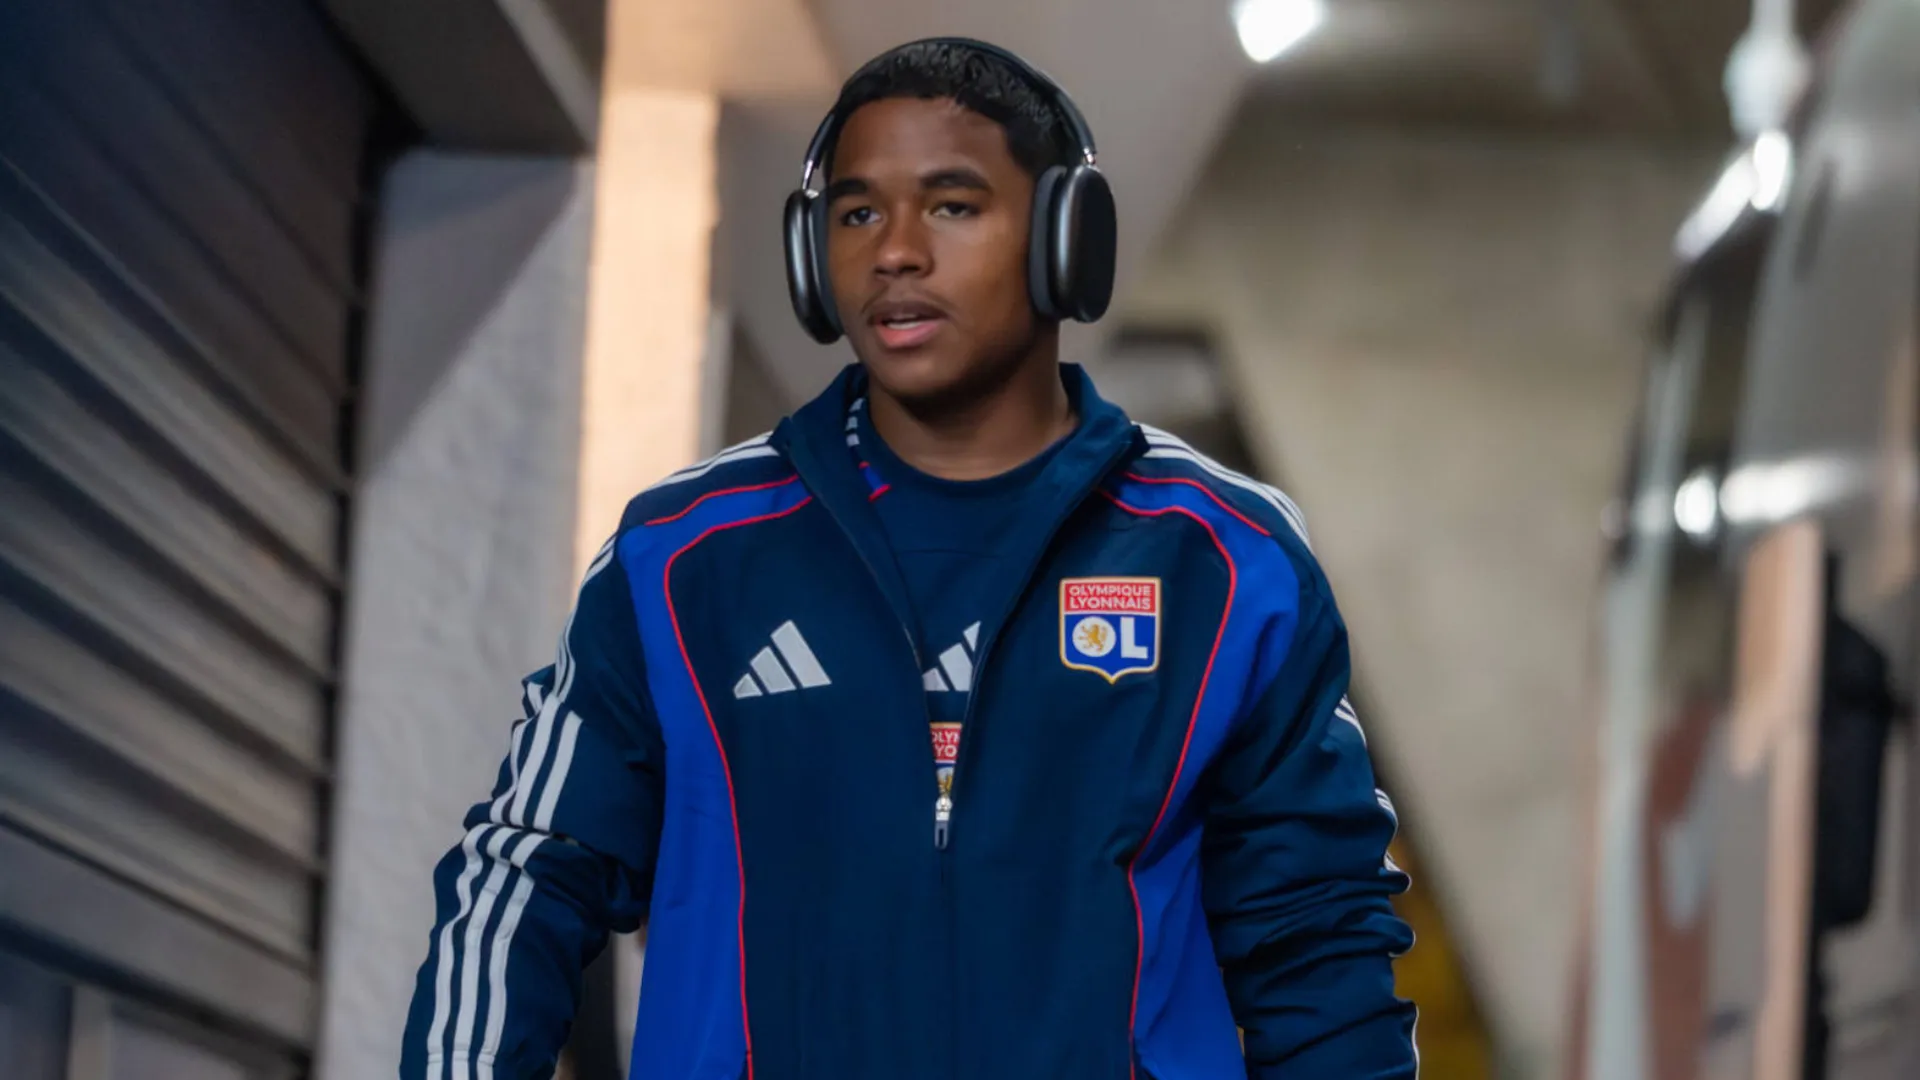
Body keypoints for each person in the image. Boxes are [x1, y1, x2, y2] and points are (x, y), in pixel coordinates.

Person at [400, 37, 1417, 1080]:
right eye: (856, 212)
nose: (894, 250)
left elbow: (1318, 942)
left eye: (952, 205)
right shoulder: (684, 560)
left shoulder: (1225, 564)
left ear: (1065, 239)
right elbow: (526, 872)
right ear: (811, 255)